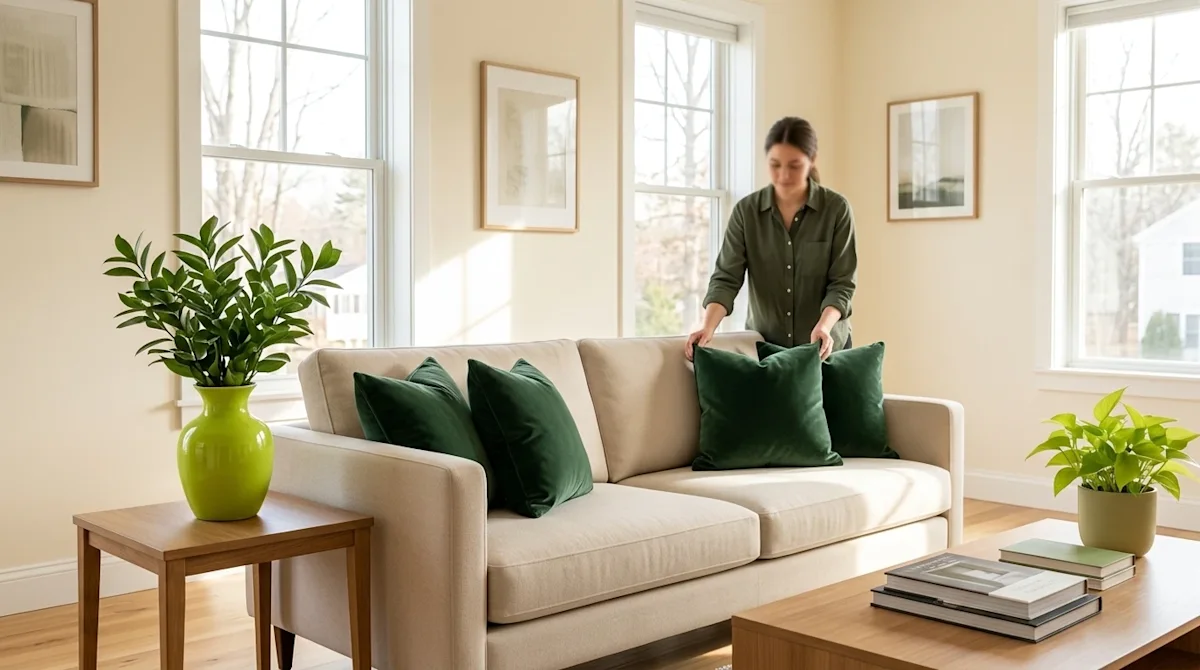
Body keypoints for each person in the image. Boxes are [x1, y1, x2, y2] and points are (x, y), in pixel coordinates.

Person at [685, 117, 856, 362]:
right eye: (775, 164)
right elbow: (726, 278)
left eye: (794, 166)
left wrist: (824, 326)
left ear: (812, 160)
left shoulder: (836, 209)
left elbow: (842, 284)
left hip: (826, 351)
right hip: (767, 353)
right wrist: (708, 326)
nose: (783, 175)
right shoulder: (746, 212)